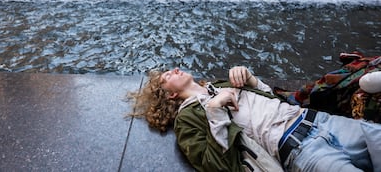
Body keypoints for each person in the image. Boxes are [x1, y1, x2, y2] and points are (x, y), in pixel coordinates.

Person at [130, 66, 381, 171]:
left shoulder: (221, 83)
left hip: (320, 120)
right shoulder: (187, 119)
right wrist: (215, 110)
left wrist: (252, 80)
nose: (174, 69)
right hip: (300, 149)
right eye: (166, 76)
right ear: (171, 95)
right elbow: (214, 165)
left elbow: (271, 101)